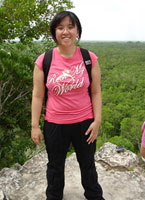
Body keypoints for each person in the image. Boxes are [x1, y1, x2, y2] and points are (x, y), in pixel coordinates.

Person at [31, 10, 105, 200]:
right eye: (60, 27)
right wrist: (34, 126)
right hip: (55, 123)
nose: (66, 32)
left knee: (88, 163)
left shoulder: (89, 58)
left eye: (71, 27)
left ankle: (94, 196)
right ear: (54, 32)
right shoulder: (44, 60)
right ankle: (54, 196)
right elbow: (38, 96)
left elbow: (96, 92)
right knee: (55, 165)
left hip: (85, 122)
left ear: (78, 31)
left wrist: (97, 121)